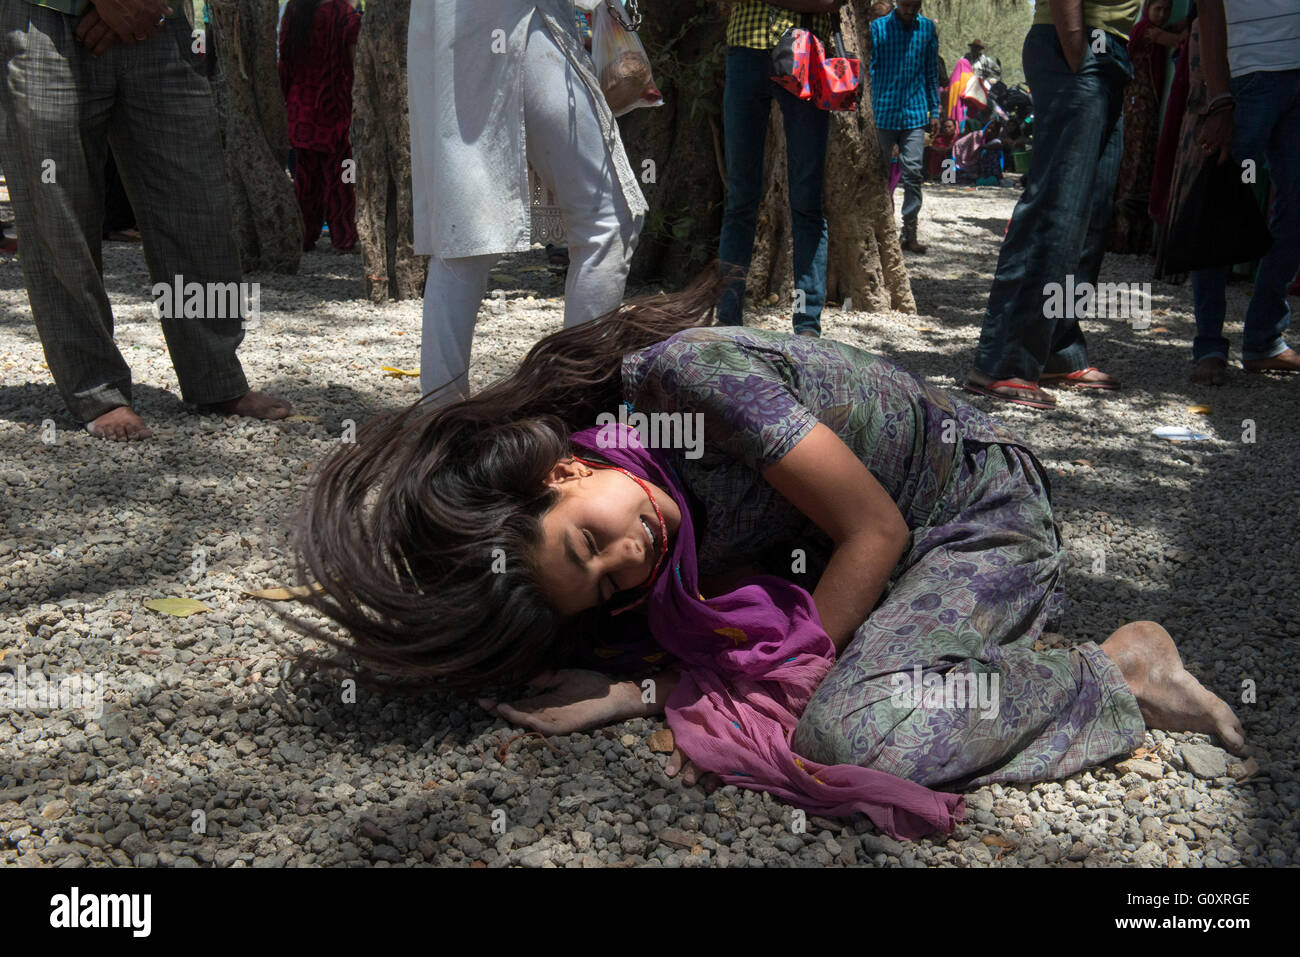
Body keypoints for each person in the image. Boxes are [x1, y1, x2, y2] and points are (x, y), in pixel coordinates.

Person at [293, 275, 1246, 840]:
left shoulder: (687, 382)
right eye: (604, 581)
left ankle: (1110, 670)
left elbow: (875, 532)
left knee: (856, 735)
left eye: (591, 537)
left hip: (972, 511)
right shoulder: (640, 540)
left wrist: (777, 688)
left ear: (571, 461)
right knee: (842, 710)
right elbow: (699, 641)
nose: (631, 556)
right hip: (876, 553)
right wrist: (631, 693)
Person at [0, 0, 290, 440]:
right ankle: (96, 390)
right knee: (58, 216)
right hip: (43, 19)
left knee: (198, 208)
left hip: (161, 17)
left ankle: (217, 376)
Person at [408, 1, 646, 401]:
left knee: (462, 237)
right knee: (607, 221)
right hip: (520, 19)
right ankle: (577, 407)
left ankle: (439, 422)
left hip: (449, 34)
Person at [963, 0, 1138, 410]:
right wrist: (1075, 45)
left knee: (1090, 213)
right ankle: (1003, 361)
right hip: (1074, 42)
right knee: (1055, 208)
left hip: (1109, 49)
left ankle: (1056, 346)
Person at [1178, 0, 1300, 386]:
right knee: (1218, 209)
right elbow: (1209, 10)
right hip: (1246, 78)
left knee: (1297, 212)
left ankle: (1264, 339)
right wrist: (1218, 97)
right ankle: (1210, 345)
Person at [715, 0, 844, 337]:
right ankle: (727, 319)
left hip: (807, 51)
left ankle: (806, 323)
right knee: (741, 198)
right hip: (745, 48)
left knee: (807, 200)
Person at [279, 0, 362, 252]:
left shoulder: (295, 8)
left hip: (301, 103)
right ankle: (343, 237)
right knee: (341, 176)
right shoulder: (343, 12)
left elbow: (285, 57)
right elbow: (353, 61)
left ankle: (304, 235)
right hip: (333, 105)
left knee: (306, 176)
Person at [1106, 0, 1185, 254]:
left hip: (1147, 107)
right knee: (1135, 163)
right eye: (1157, 9)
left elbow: (1176, 28)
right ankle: (1122, 236)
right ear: (1147, 8)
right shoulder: (1145, 31)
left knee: (1143, 165)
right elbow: (1174, 39)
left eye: (1166, 10)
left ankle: (1133, 236)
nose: (1161, 15)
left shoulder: (1153, 28)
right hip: (1137, 107)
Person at [870, 0, 941, 253]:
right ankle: (877, 232)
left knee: (913, 174)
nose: (910, 9)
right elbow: (870, 67)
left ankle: (909, 233)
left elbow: (931, 72)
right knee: (878, 174)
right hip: (883, 113)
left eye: (915, 4)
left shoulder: (927, 30)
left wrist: (935, 110)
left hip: (915, 114)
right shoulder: (878, 28)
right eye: (906, 4)